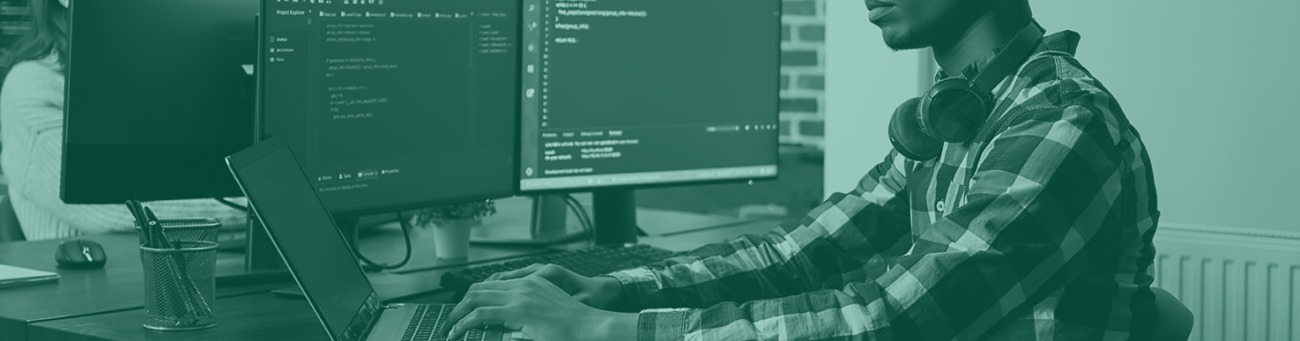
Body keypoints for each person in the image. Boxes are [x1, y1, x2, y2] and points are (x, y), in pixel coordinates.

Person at [445, 0, 1159, 340]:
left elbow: (887, 321)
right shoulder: (960, 117)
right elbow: (797, 257)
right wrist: (613, 289)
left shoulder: (1060, 123)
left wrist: (594, 331)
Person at [0, 0, 246, 240]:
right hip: (86, 277)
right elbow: (105, 208)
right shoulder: (31, 84)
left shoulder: (157, 73)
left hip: (183, 268)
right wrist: (258, 207)